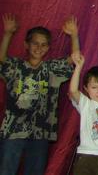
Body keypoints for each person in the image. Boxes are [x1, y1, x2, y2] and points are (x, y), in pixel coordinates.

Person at [0, 14, 79, 175]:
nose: (39, 47)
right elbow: (2, 60)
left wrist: (74, 35)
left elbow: (75, 59)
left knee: (35, 171)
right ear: (26, 44)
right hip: (13, 130)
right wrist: (8, 34)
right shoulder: (16, 66)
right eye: (35, 43)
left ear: (48, 47)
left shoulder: (51, 69)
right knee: (6, 170)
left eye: (44, 44)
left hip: (40, 132)